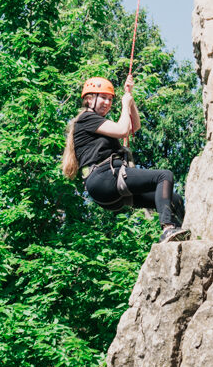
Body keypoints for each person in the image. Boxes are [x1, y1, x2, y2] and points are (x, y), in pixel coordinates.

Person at [62, 75, 188, 243]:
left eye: (110, 99)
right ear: (90, 99)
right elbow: (122, 130)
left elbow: (134, 127)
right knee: (164, 176)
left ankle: (179, 236)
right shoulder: (86, 118)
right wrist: (125, 104)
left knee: (175, 199)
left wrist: (130, 99)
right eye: (104, 98)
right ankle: (167, 228)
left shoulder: (95, 122)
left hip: (109, 188)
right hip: (104, 177)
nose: (107, 103)